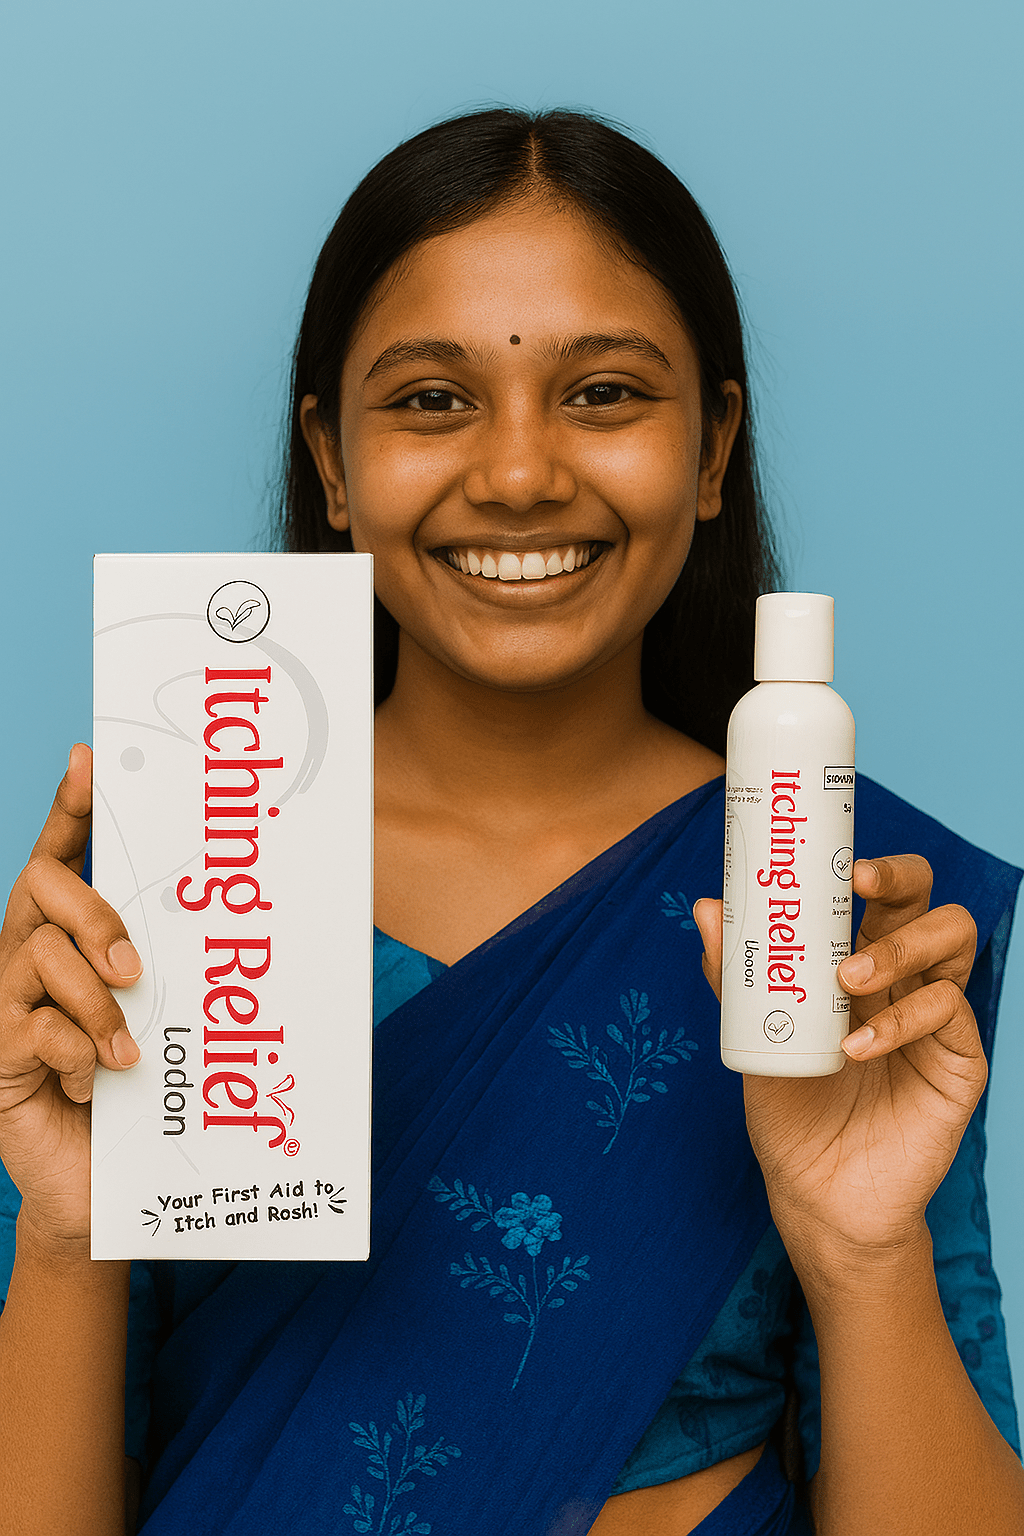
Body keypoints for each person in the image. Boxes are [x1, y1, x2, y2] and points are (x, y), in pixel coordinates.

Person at [0, 107, 1022, 1536]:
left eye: (606, 394)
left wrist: (865, 1250)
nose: (524, 472)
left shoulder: (831, 911)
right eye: (432, 399)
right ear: (333, 460)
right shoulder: (183, 876)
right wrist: (64, 1232)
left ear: (715, 447)